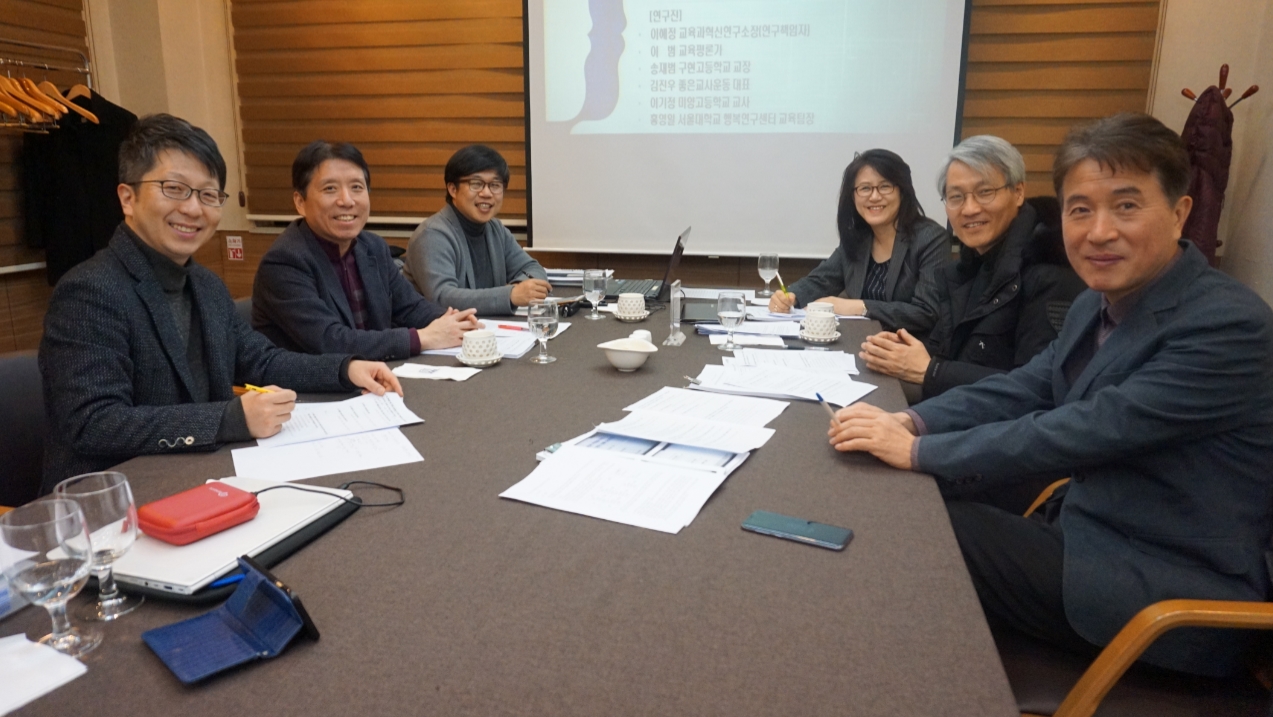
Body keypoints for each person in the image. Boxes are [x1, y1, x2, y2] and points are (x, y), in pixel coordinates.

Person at [828, 113, 1273, 678]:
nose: (1099, 231)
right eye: (1080, 209)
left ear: (1180, 212)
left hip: (1166, 589)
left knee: (919, 526)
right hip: (1085, 534)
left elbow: (1086, 426)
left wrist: (918, 451)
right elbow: (1030, 384)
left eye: (1127, 206)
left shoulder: (1226, 324)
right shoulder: (1097, 301)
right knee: (910, 505)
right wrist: (912, 423)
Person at [40, 115, 402, 492]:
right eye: (175, 188)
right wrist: (229, 418)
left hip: (199, 480)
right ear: (127, 198)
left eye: (208, 195)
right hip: (108, 505)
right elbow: (94, 423)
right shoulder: (89, 291)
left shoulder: (205, 285)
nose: (194, 209)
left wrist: (346, 369)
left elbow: (260, 360)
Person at [859, 136, 1085, 400]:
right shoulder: (965, 270)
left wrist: (930, 370)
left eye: (985, 192)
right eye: (956, 197)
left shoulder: (1050, 272)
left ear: (1018, 192)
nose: (970, 209)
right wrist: (905, 351)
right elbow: (948, 355)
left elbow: (1042, 390)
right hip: (951, 412)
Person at [252, 141, 480, 360]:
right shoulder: (284, 262)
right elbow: (330, 341)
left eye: (356, 187)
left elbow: (410, 307)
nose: (347, 200)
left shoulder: (372, 247)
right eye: (330, 189)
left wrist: (455, 322)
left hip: (374, 378)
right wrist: (421, 338)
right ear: (300, 202)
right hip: (308, 393)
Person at [768, 149, 947, 333]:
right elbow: (821, 280)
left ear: (902, 191)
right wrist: (790, 296)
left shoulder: (930, 239)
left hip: (908, 351)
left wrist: (858, 307)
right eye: (865, 188)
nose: (875, 196)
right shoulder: (858, 238)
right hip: (860, 343)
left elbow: (926, 312)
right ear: (853, 196)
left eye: (885, 186)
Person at [405, 145, 550, 314]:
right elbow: (441, 298)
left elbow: (533, 268)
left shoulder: (495, 229)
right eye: (476, 184)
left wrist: (521, 287)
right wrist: (509, 295)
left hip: (486, 331)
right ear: (452, 189)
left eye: (495, 185)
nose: (487, 193)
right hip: (440, 335)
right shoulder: (432, 235)